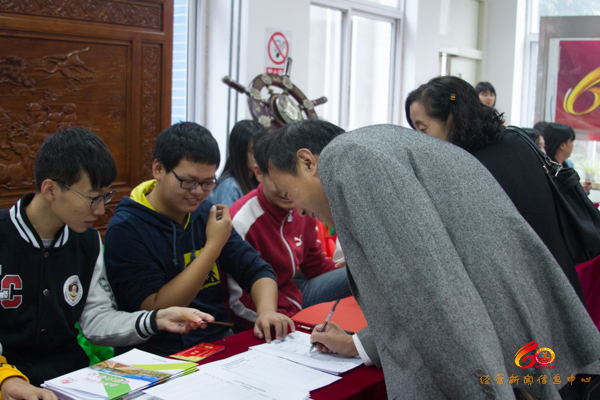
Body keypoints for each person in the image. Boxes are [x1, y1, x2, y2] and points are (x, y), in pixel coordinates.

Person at [265, 119, 600, 400]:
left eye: (289, 193)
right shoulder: (378, 142)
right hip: (511, 325)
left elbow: (427, 292)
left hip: (492, 350)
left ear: (307, 162)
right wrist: (361, 345)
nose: (299, 210)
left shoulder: (348, 160)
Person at [0, 128, 212, 400]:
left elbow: (96, 320)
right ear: (50, 189)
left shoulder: (87, 241)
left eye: (105, 196)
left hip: (69, 381)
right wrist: (7, 380)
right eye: (92, 199)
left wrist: (156, 319)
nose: (100, 210)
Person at [104, 122, 294, 357]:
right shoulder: (127, 228)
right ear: (158, 169)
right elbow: (157, 308)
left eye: (207, 183)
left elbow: (257, 270)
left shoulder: (204, 213)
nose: (198, 192)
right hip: (156, 354)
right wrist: (213, 246)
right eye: (189, 182)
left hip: (215, 342)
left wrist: (266, 312)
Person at [405, 76, 585, 305]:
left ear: (451, 117)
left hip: (521, 294)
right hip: (558, 282)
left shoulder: (468, 165)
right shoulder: (515, 141)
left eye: (423, 129)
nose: (419, 140)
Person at [225, 134, 351, 328]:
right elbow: (237, 300)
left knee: (355, 273)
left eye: (289, 180)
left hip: (295, 295)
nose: (285, 191)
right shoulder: (241, 220)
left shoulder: (302, 205)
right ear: (259, 173)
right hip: (266, 311)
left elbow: (315, 264)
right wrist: (286, 320)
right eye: (277, 181)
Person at [208, 120, 266, 207]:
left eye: (262, 150)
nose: (260, 156)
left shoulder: (253, 180)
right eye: (254, 151)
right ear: (240, 152)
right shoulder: (230, 186)